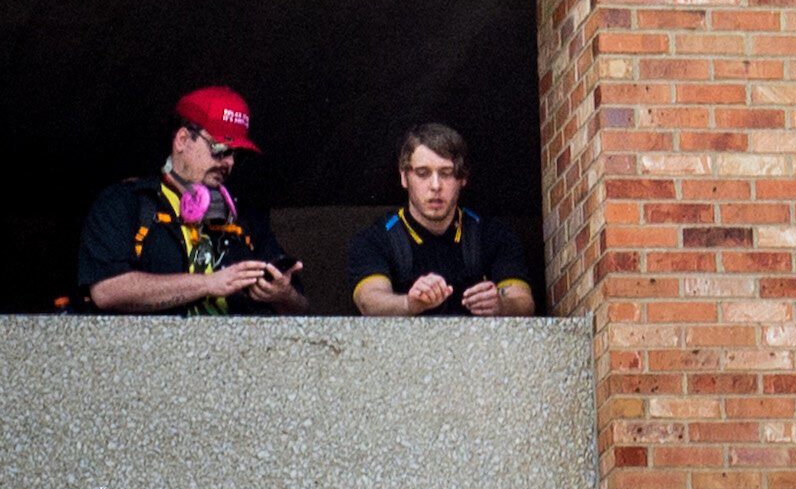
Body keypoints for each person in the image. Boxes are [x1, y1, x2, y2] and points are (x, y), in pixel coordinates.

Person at [77, 86, 307, 315]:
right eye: (220, 150)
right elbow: (106, 290)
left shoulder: (245, 217)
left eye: (236, 154)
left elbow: (302, 309)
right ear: (182, 139)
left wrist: (283, 295)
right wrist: (208, 284)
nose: (229, 163)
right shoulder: (125, 202)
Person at [347, 123, 535, 317]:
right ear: (404, 177)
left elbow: (524, 302)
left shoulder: (493, 234)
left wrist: (500, 306)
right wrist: (409, 304)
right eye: (423, 173)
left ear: (463, 178)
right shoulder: (375, 239)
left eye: (446, 173)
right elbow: (369, 301)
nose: (435, 185)